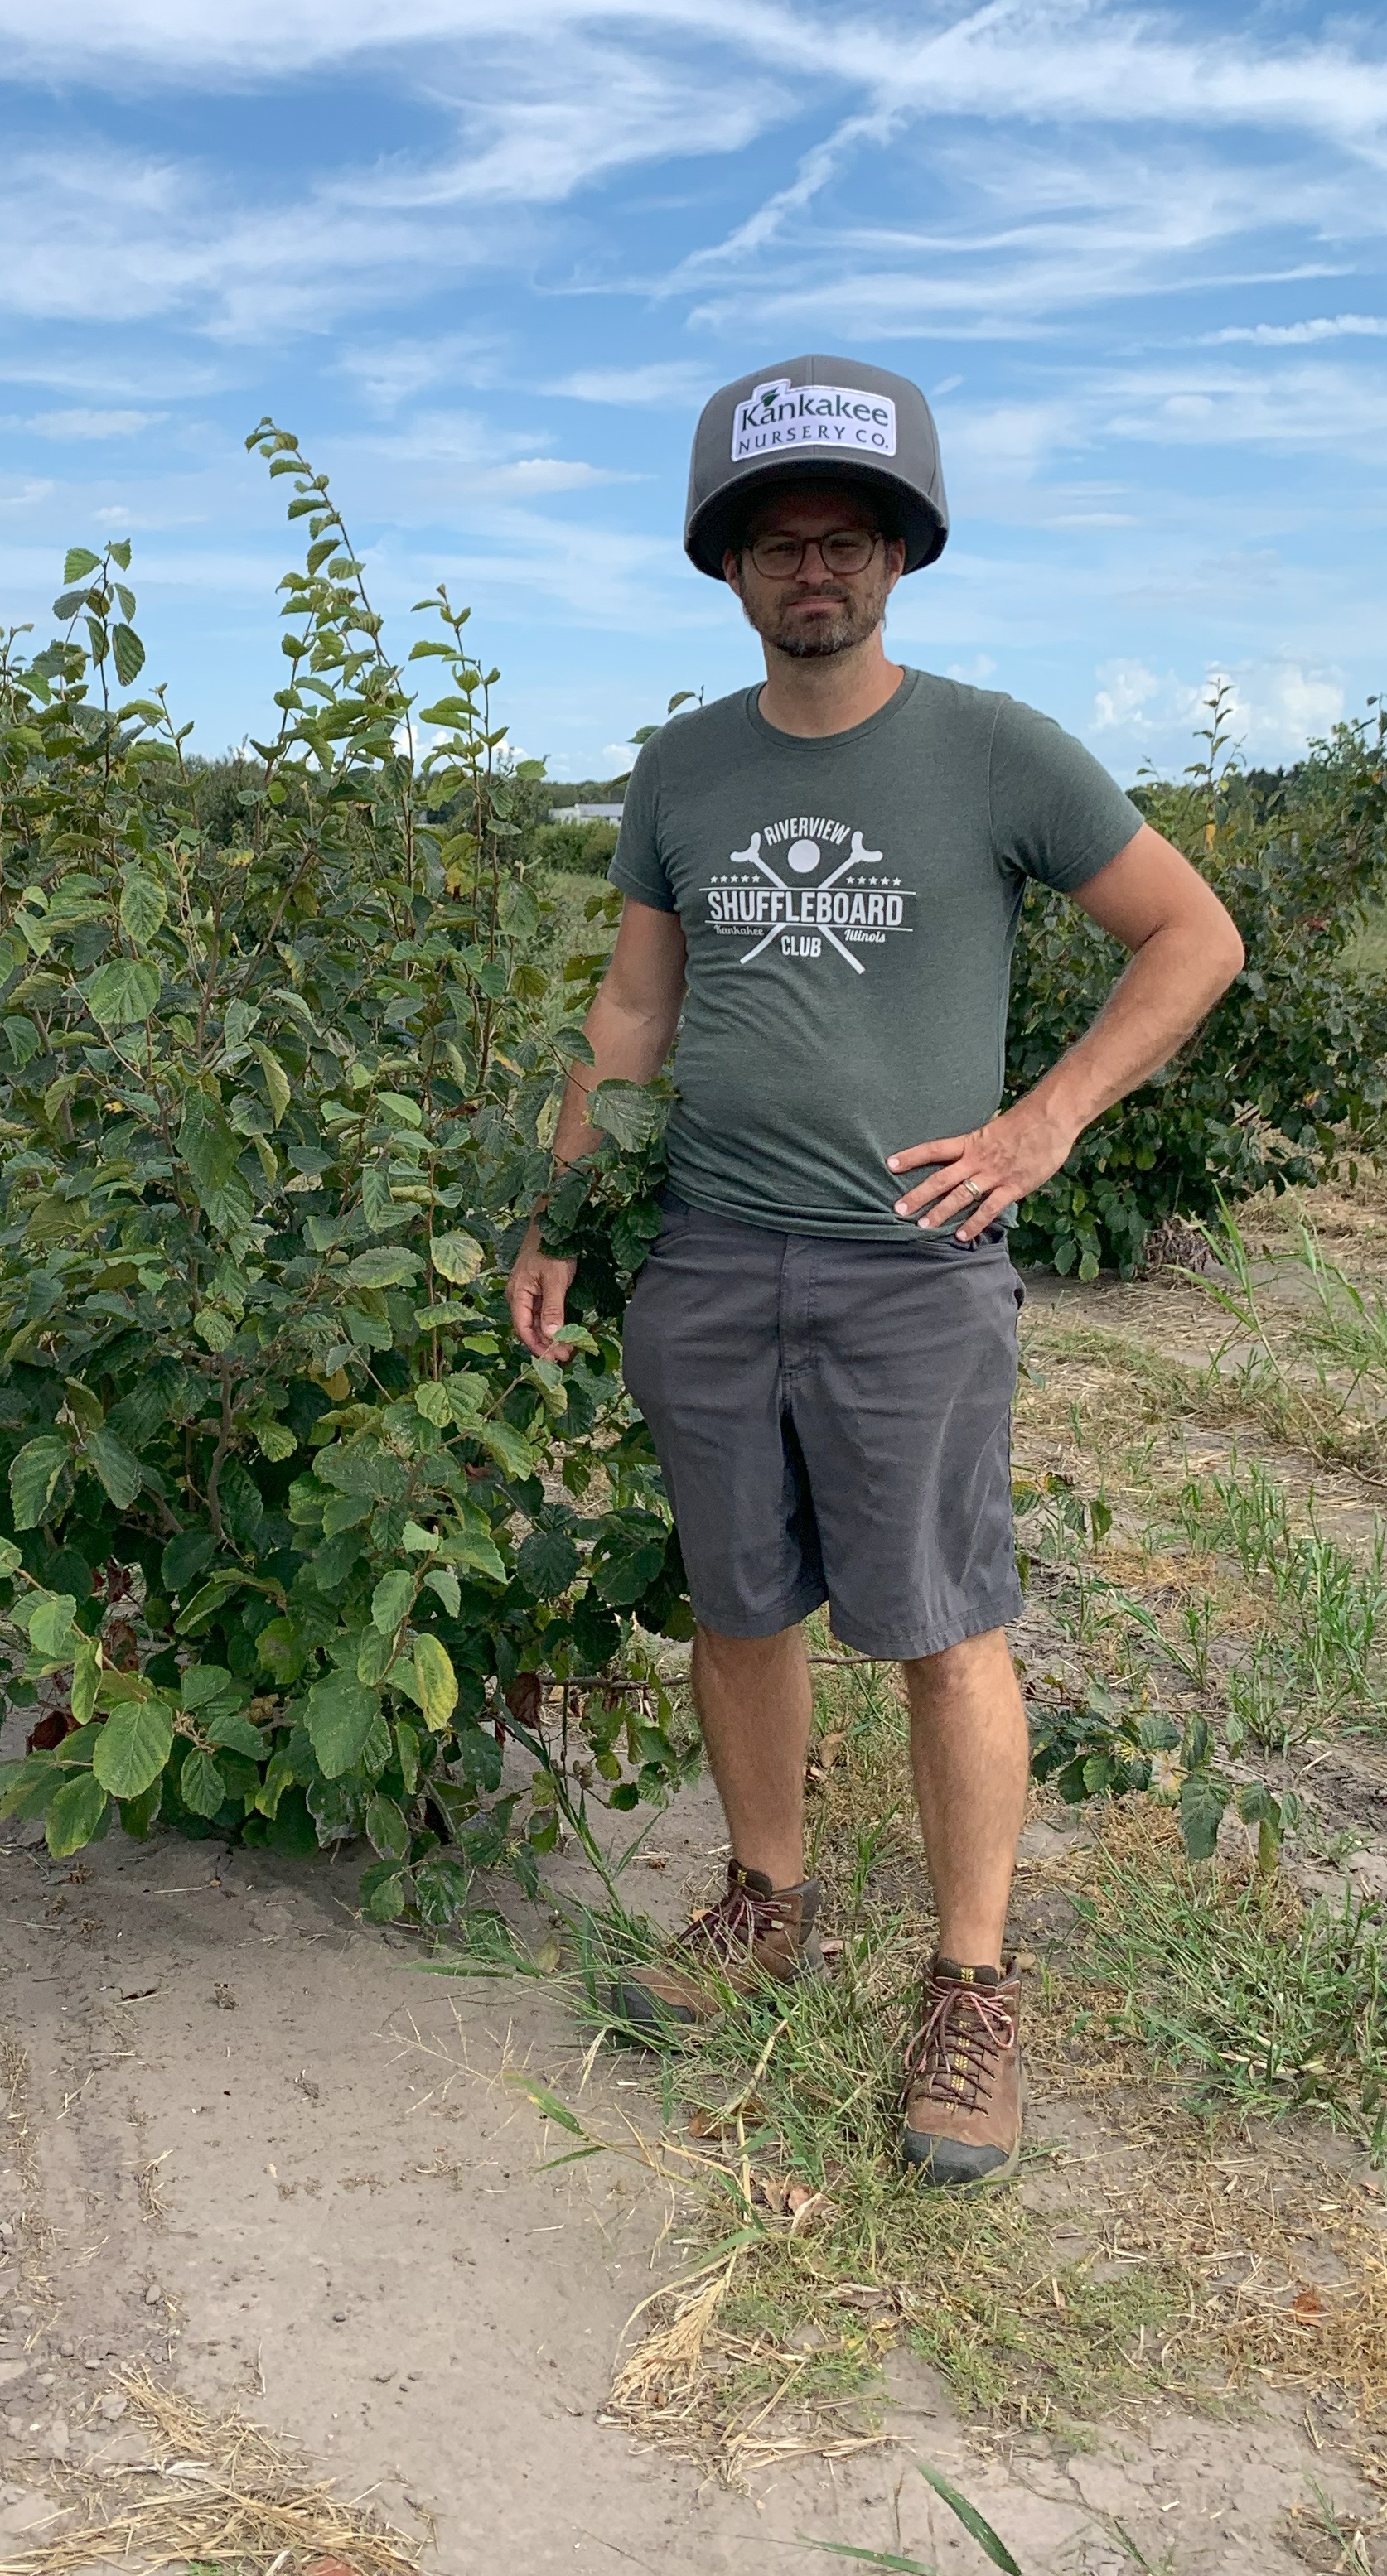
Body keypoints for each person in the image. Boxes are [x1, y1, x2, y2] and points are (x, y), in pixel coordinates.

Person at [506, 359, 1243, 2185]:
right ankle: (765, 1901)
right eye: (776, 541)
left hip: (912, 1270)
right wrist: (553, 1208)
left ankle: (973, 1992)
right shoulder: (684, 767)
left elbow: (1189, 936)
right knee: (740, 1605)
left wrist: (1043, 1124)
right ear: (730, 567)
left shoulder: (994, 751)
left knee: (940, 1628)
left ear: (902, 552)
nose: (811, 568)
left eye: (844, 535)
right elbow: (634, 1002)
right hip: (706, 1259)